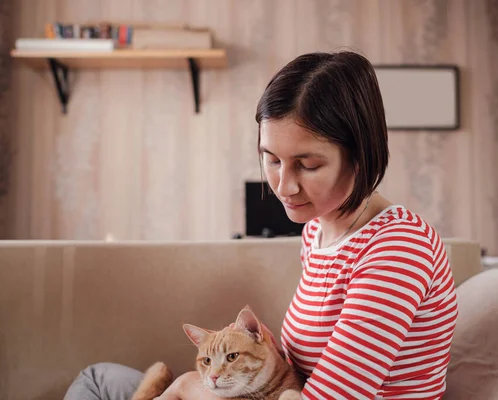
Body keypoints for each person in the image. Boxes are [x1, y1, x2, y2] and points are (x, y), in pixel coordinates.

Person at [64, 50, 458, 400]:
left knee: (103, 384)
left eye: (308, 164)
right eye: (271, 159)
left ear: (361, 155)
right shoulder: (318, 232)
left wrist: (191, 387)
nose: (283, 186)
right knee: (101, 377)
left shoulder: (398, 249)